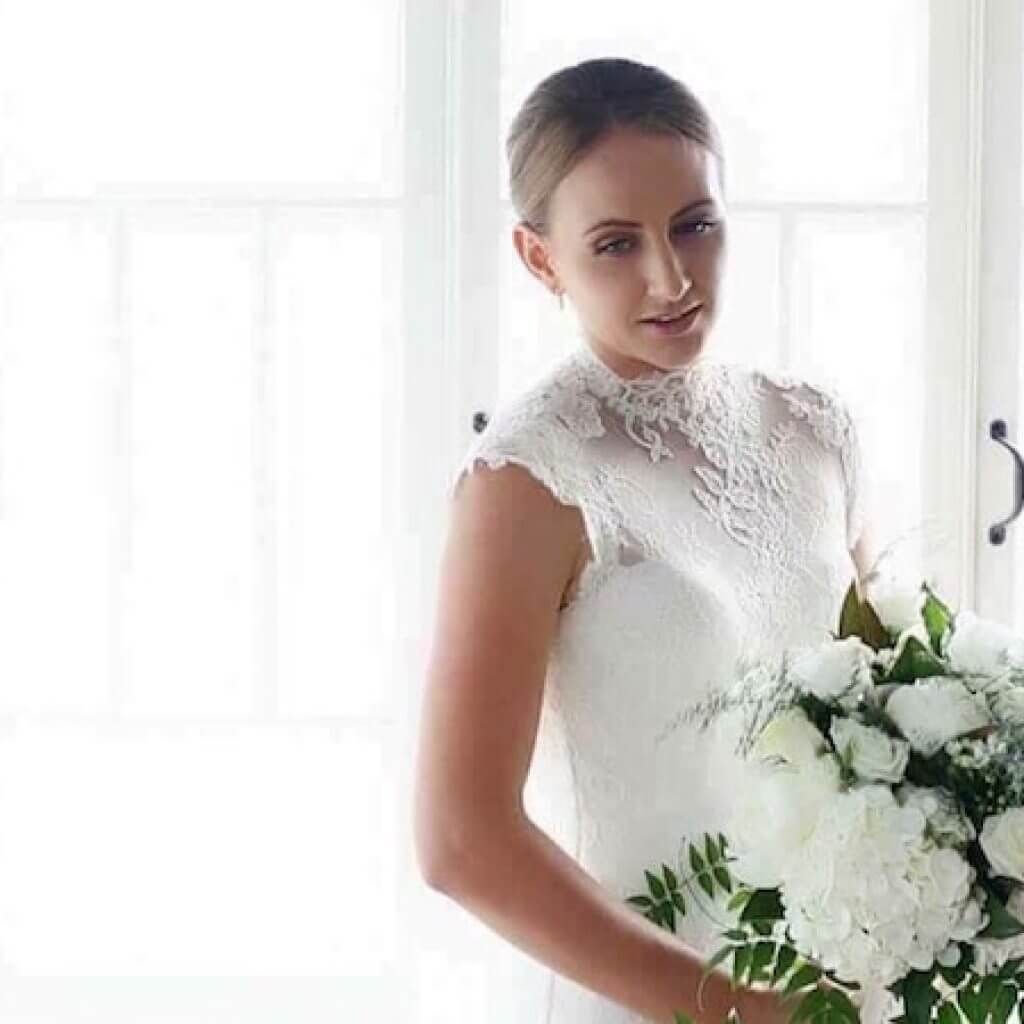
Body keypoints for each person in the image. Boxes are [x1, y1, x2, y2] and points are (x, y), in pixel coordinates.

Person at [413, 57, 880, 1024]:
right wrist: (733, 1009)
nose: (671, 278)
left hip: (837, 984)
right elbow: (460, 839)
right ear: (540, 259)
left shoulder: (812, 430)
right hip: (656, 997)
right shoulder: (528, 481)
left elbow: (884, 713)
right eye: (616, 244)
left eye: (695, 226)